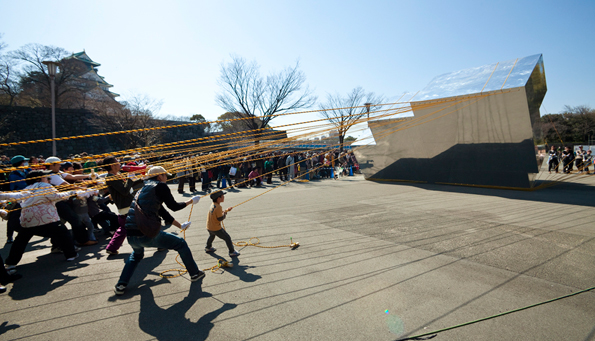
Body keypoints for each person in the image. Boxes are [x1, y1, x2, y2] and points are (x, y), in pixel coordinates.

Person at [113, 166, 204, 296]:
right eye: (165, 176)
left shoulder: (143, 189)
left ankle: (121, 285)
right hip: (146, 233)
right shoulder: (160, 186)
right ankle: (195, 273)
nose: (166, 178)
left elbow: (163, 212)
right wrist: (190, 201)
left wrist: (180, 226)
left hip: (131, 234)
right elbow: (173, 206)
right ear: (160, 176)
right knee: (180, 244)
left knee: (136, 256)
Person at [0, 170, 80, 273]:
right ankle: (71, 255)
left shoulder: (27, 188)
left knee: (20, 241)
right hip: (46, 218)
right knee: (63, 232)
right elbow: (57, 197)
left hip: (27, 220)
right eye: (47, 177)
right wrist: (71, 192)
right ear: (39, 178)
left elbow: (18, 199)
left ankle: (10, 263)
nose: (48, 179)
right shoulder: (44, 186)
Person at [102, 156, 144, 255]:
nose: (120, 164)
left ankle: (112, 248)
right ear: (112, 165)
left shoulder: (117, 175)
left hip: (127, 205)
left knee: (124, 227)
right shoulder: (111, 178)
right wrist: (130, 178)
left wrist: (140, 179)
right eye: (117, 162)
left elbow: (127, 187)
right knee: (143, 223)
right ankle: (157, 241)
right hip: (125, 206)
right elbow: (124, 191)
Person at [205, 191, 240, 257]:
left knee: (212, 235)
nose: (224, 197)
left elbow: (217, 213)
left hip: (209, 226)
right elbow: (220, 218)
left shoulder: (213, 204)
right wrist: (225, 213)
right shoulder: (218, 207)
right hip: (216, 228)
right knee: (227, 238)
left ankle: (208, 247)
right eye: (222, 196)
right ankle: (232, 252)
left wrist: (226, 210)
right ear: (218, 198)